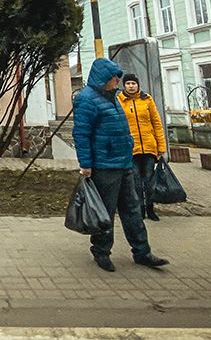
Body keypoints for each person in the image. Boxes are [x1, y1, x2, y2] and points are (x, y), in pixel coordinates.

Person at [73, 58, 169, 272]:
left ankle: (142, 252)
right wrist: (86, 164)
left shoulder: (113, 97)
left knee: (133, 209)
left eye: (118, 77)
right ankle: (101, 251)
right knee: (104, 212)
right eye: (114, 77)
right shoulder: (86, 99)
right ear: (103, 78)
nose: (118, 80)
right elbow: (81, 134)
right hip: (104, 165)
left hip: (124, 162)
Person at [117, 74, 166, 222]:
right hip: (131, 149)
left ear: (138, 85)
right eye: (128, 83)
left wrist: (161, 147)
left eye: (134, 83)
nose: (131, 86)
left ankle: (150, 208)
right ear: (124, 86)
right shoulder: (119, 101)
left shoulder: (147, 100)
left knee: (150, 181)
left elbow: (156, 123)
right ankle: (139, 209)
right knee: (136, 182)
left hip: (149, 148)